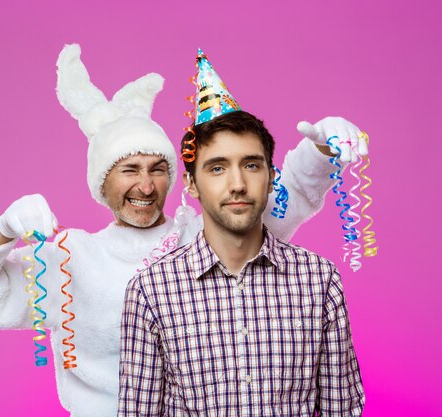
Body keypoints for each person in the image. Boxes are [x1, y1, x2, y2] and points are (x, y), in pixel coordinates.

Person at [0, 45, 367, 417]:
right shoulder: (70, 259)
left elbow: (273, 195)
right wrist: (3, 230)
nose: (145, 185)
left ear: (178, 179)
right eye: (129, 170)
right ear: (103, 182)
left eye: (158, 169)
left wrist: (319, 152)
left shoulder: (210, 236)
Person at [118, 109, 365, 417]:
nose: (237, 184)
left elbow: (341, 409)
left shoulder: (319, 279)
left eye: (251, 165)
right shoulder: (151, 291)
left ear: (272, 177)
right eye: (217, 168)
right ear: (191, 184)